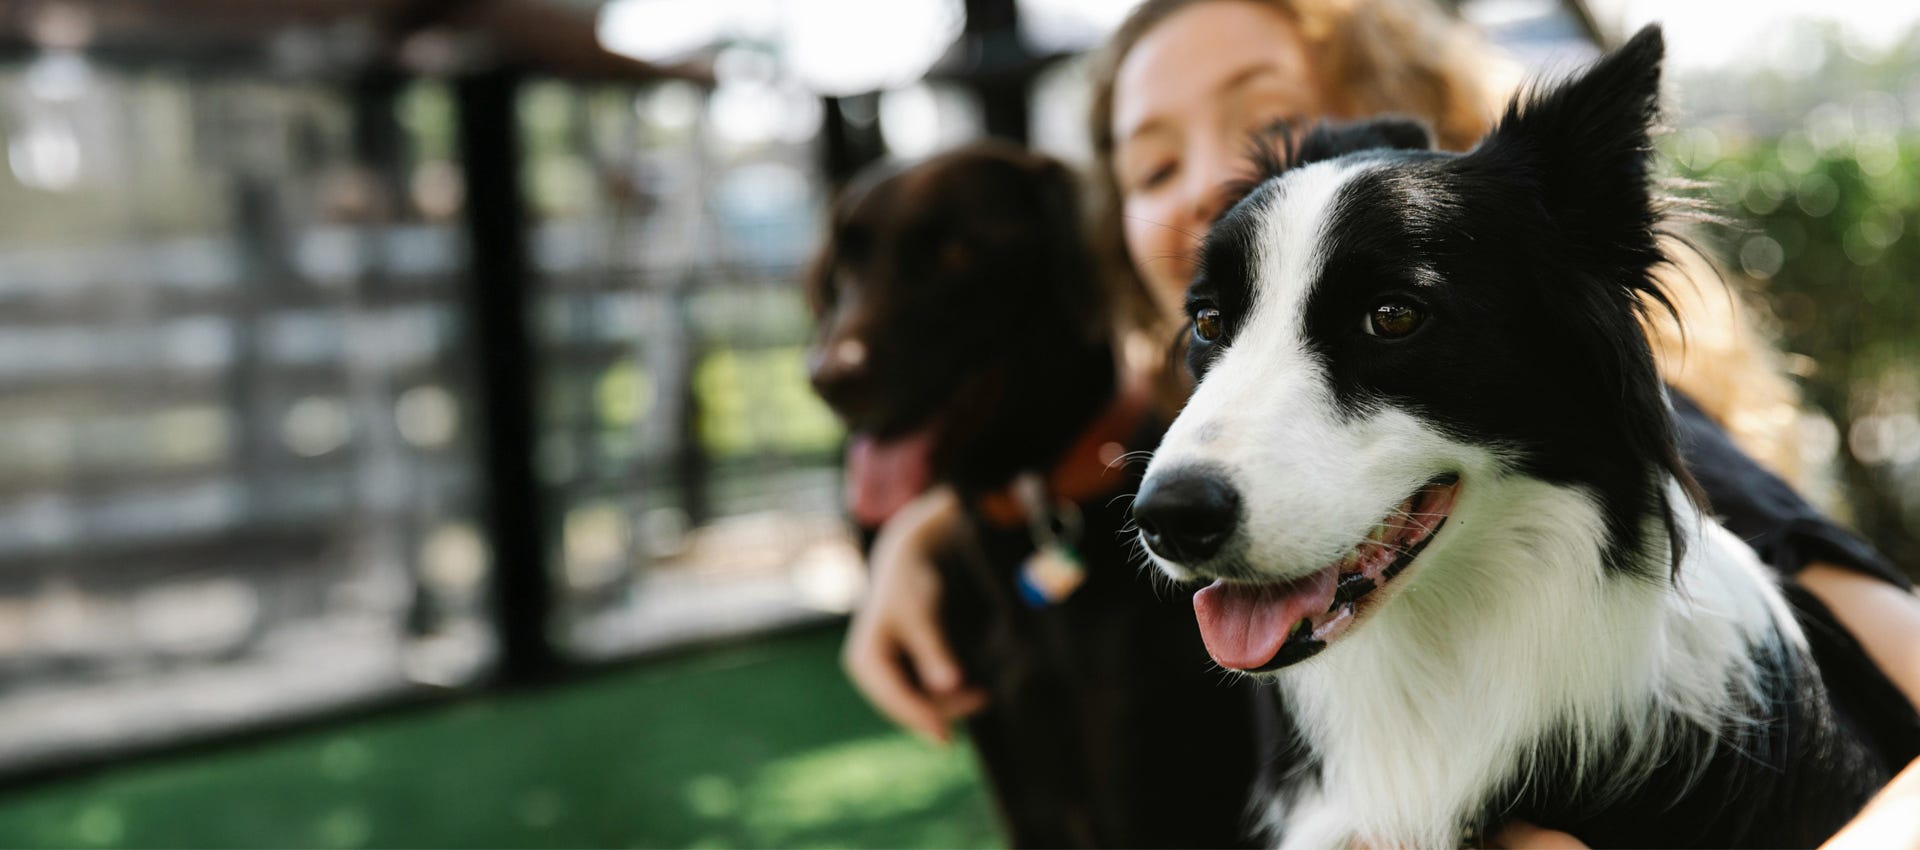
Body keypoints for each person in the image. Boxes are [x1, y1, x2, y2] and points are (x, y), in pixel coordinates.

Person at [842, 0, 1920, 844]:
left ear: (1391, 114)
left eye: (1265, 124)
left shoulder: (1645, 425)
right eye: (1154, 165)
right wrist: (928, 523)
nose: (1217, 179)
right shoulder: (1231, 420)